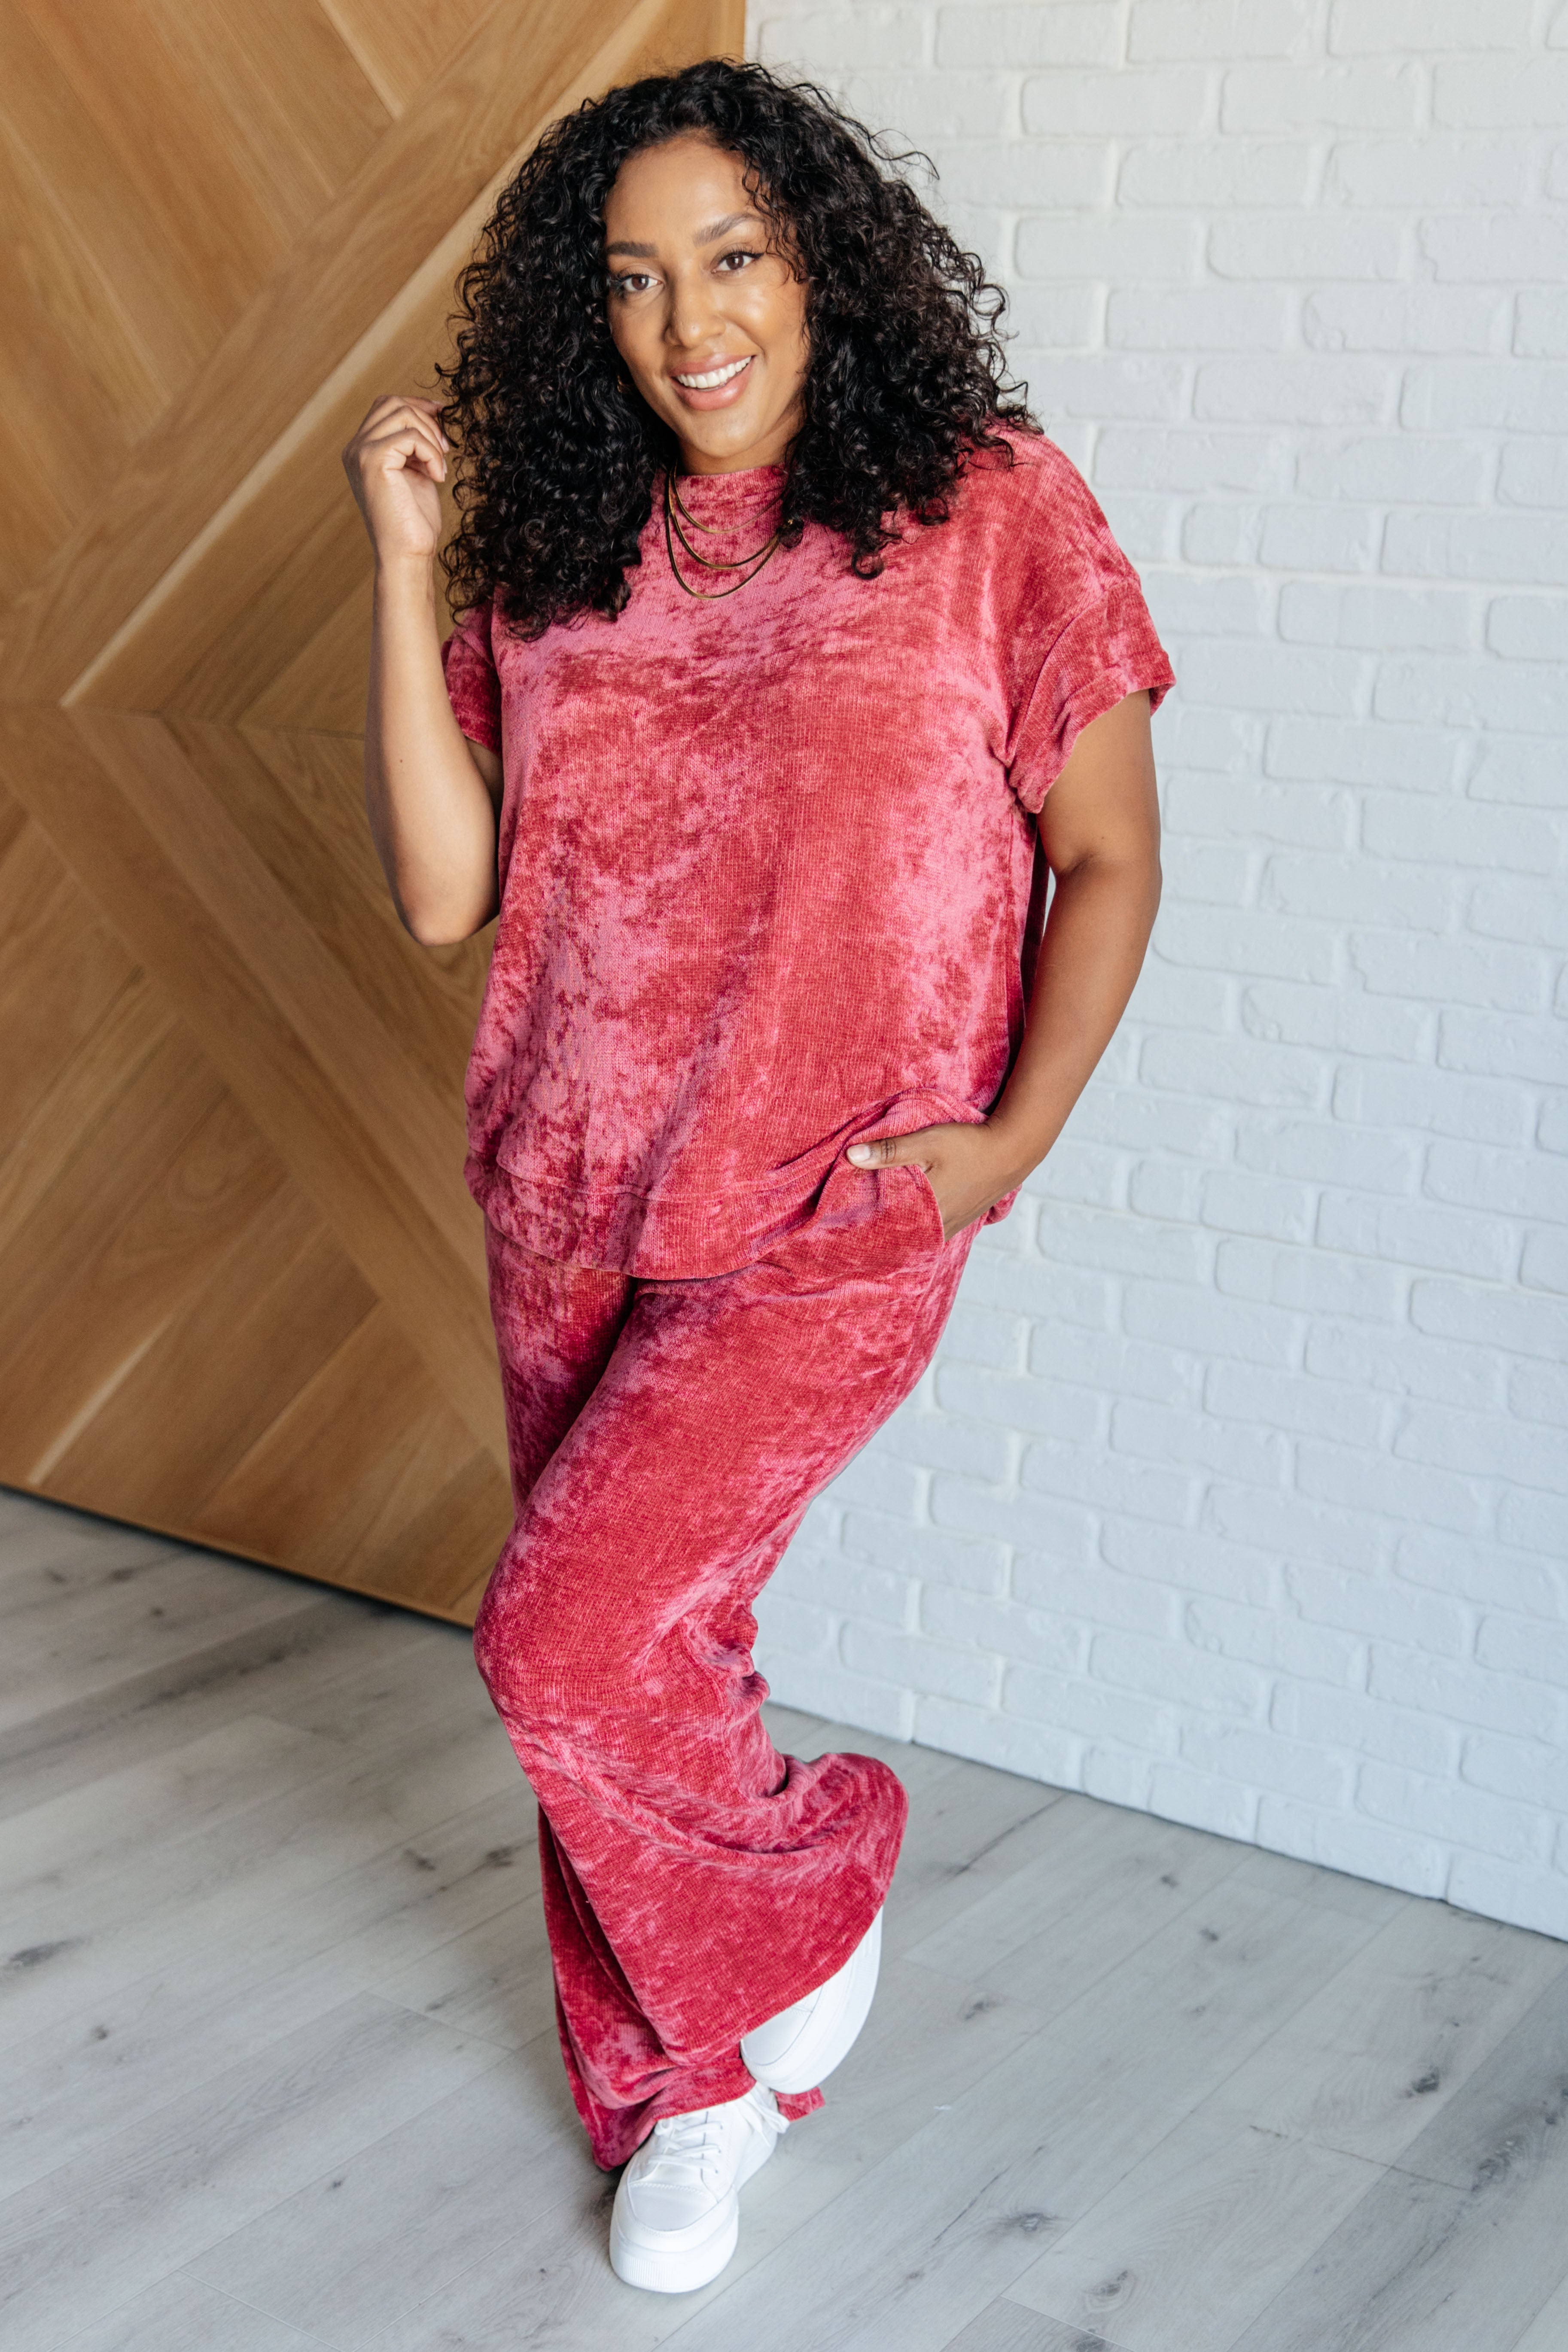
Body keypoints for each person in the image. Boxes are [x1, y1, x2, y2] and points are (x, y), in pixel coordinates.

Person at [342, 56, 1172, 2298]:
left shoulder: (989, 508)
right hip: (569, 1186)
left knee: (556, 1641)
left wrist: (1004, 1146)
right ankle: (678, 2097)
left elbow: (1108, 856)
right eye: (632, 279)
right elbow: (443, 894)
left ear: (820, 262)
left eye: (731, 256)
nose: (688, 319)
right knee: (632, 1663)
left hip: (830, 1208)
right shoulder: (561, 547)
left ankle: (809, 1893)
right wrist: (407, 565)